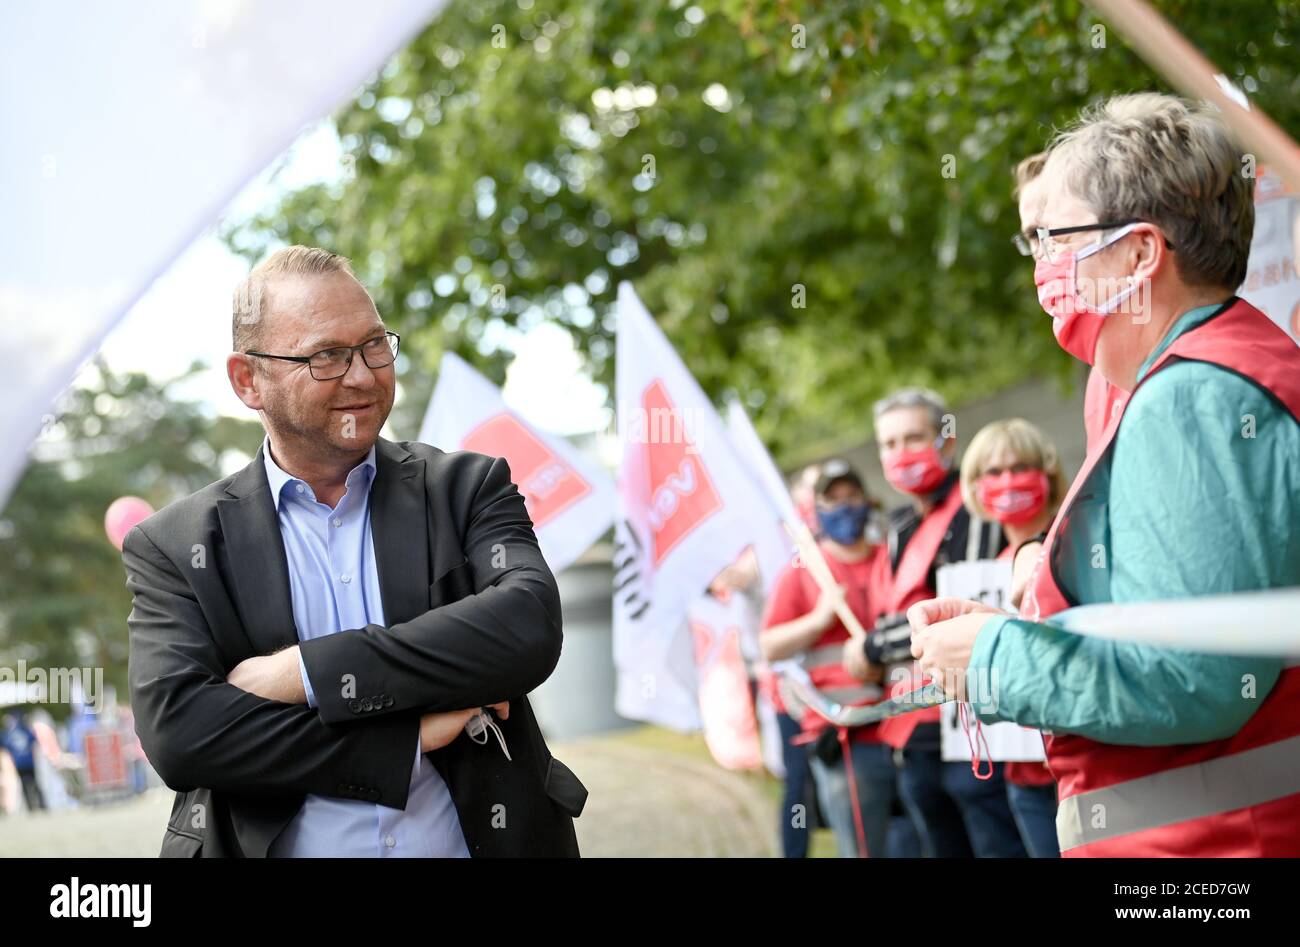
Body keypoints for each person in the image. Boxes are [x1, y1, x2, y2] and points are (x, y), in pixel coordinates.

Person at [910, 93, 1300, 856]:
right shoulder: (1183, 377)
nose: (1043, 266)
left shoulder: (1192, 399)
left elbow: (1193, 680)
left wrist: (990, 655)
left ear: (1140, 252)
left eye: (1055, 238)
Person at [123, 246, 587, 857]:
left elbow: (526, 626)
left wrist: (302, 674)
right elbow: (182, 735)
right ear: (248, 381)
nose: (364, 374)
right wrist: (404, 740)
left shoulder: (467, 488)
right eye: (327, 356)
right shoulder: (176, 547)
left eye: (374, 345)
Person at [846, 388, 1023, 858]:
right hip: (913, 733)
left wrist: (872, 647)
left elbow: (963, 609)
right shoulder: (900, 527)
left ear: (946, 442)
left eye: (913, 438)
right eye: (889, 444)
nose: (900, 454)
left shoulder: (977, 510)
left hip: (971, 728)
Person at [761, 460, 898, 857]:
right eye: (833, 499)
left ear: (867, 499)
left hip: (904, 726)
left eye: (851, 496)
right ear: (818, 508)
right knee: (862, 845)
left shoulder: (891, 557)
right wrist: (818, 619)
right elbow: (770, 646)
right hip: (845, 733)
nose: (844, 506)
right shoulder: (805, 569)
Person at [958, 418, 1067, 857]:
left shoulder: (1073, 544)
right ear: (974, 485)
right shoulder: (977, 574)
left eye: (1020, 466)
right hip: (1021, 775)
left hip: (1077, 766)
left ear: (1048, 471)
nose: (1007, 481)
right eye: (993, 472)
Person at [1, 711, 46, 813]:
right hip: (25, 762)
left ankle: (35, 806)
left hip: (22, 763)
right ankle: (38, 806)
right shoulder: (21, 731)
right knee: (32, 784)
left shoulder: (11, 734)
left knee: (29, 785)